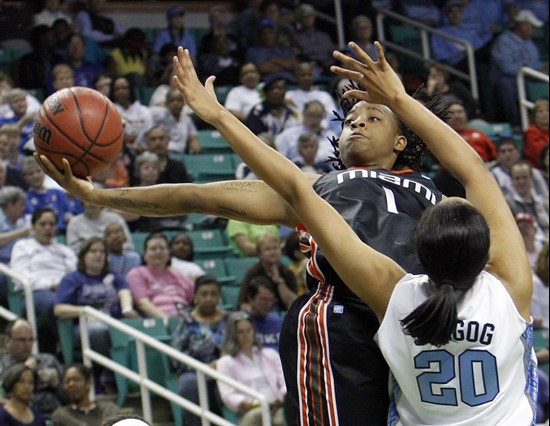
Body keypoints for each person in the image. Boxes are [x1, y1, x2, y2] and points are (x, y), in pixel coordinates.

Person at [35, 42, 447, 424]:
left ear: (401, 139)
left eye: (372, 118)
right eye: (351, 120)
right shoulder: (315, 190)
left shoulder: (439, 197)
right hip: (343, 320)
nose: (356, 124)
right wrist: (101, 196)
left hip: (418, 320)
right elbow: (196, 196)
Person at [176, 42, 537, 424]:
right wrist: (397, 97)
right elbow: (474, 170)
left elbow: (297, 189)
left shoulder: (398, 296)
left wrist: (219, 116)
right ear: (486, 254)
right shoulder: (511, 289)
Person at [54, 236, 139, 362]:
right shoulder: (72, 279)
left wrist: (127, 308)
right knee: (99, 330)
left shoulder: (114, 275)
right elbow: (59, 309)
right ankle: (112, 370)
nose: (98, 255)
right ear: (83, 255)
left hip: (115, 322)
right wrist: (85, 311)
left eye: (102, 252)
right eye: (93, 251)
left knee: (143, 326)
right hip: (86, 326)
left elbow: (124, 292)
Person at [170, 274, 228, 426]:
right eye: (204, 294)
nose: (208, 298)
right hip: (194, 371)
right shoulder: (186, 321)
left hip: (228, 368)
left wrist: (221, 364)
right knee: (189, 383)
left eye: (213, 294)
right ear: (195, 297)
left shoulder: (229, 319)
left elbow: (240, 346)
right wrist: (203, 368)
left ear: (219, 296)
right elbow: (176, 356)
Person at [10, 208, 77, 339]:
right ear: (33, 226)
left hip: (63, 289)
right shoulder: (23, 246)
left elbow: (74, 274)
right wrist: (50, 285)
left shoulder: (64, 250)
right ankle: (70, 342)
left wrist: (64, 286)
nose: (48, 228)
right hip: (36, 293)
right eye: (42, 224)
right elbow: (20, 278)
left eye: (52, 224)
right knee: (54, 303)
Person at [216, 312, 285, 426]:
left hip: (277, 405)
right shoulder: (226, 362)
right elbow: (228, 395)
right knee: (258, 415)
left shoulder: (270, 354)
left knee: (283, 416)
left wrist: (283, 398)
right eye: (240, 332)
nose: (246, 335)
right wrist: (253, 404)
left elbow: (284, 381)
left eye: (249, 330)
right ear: (233, 334)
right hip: (251, 410)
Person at [0, 319, 64, 419]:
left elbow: (69, 398)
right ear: (7, 341)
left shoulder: (48, 360)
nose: (27, 345)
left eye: (31, 340)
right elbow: (6, 398)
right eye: (22, 340)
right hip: (20, 418)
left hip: (56, 416)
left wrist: (57, 384)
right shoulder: (2, 367)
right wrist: (25, 369)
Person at [490, 9, 543, 127]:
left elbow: (536, 64)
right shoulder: (503, 41)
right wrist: (528, 70)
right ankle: (515, 124)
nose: (534, 29)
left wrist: (540, 70)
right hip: (506, 79)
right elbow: (505, 67)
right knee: (506, 83)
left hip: (525, 78)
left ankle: (534, 123)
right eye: (532, 26)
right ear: (523, 25)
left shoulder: (530, 44)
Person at [126, 232, 194, 319]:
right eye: (153, 249)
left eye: (162, 248)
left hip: (185, 316)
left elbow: (196, 297)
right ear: (145, 255)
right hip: (158, 320)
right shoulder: (136, 274)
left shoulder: (177, 274)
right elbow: (143, 303)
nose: (158, 252)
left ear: (169, 254)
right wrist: (166, 320)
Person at [238, 233, 297, 313]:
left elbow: (294, 304)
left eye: (275, 248)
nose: (272, 252)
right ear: (260, 254)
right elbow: (242, 303)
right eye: (267, 249)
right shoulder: (252, 273)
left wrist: (279, 282)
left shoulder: (287, 272)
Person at [51, 364, 120, 426]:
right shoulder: (61, 415)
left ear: (88, 382)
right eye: (67, 381)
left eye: (76, 379)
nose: (71, 384)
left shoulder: (108, 409)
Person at [66, 201, 133, 253]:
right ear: (82, 202)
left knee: (132, 256)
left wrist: (115, 248)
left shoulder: (116, 219)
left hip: (114, 254)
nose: (91, 203)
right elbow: (72, 249)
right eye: (87, 199)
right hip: (86, 258)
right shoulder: (74, 222)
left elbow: (128, 244)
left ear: (102, 203)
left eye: (95, 199)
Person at [149, 90, 201, 155]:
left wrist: (194, 145)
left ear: (184, 103)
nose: (176, 103)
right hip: (162, 152)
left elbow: (193, 138)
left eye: (179, 100)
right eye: (172, 100)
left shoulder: (187, 120)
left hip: (180, 154)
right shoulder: (160, 115)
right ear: (166, 103)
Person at [293, 4, 336, 76]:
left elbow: (332, 52)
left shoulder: (323, 36)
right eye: (304, 17)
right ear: (300, 19)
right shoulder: (296, 37)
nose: (308, 19)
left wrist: (329, 63)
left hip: (328, 67)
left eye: (310, 16)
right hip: (310, 67)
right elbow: (298, 55)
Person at [242, 276, 283, 351]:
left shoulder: (279, 323)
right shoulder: (241, 324)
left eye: (271, 300)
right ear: (250, 298)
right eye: (263, 300)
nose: (268, 304)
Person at [524, 99, 549, 167]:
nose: (545, 114)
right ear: (534, 116)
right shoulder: (531, 133)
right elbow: (540, 154)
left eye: (547, 111)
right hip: (538, 168)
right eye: (540, 112)